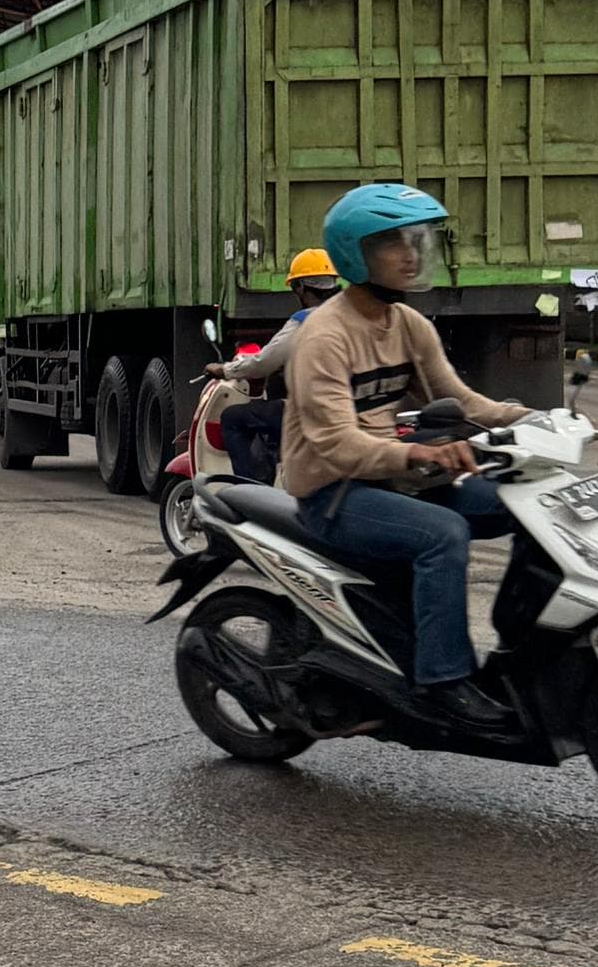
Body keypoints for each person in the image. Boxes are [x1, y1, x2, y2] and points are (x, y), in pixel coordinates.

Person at [276, 184, 528, 729]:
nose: (411, 254)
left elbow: (461, 400)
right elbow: (336, 444)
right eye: (392, 243)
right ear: (354, 255)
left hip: (392, 478)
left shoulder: (409, 325)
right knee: (442, 535)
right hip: (333, 491)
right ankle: (442, 682)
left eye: (416, 240)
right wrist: (417, 454)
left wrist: (532, 420)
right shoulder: (324, 338)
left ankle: (522, 650)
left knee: (527, 504)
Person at [216, 244, 340, 481]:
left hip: (312, 413)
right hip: (348, 410)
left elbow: (263, 364)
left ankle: (250, 489)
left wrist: (225, 370)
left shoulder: (303, 321)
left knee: (232, 418)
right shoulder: (350, 315)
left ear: (300, 287)